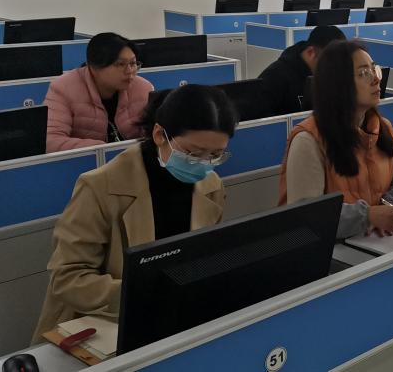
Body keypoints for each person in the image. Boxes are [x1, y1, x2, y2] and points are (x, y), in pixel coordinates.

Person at [32, 85, 238, 343]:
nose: (203, 164)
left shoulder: (211, 186)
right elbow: (67, 278)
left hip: (176, 319)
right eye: (193, 153)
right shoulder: (100, 187)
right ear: (159, 135)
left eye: (215, 155)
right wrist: (144, 295)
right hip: (105, 324)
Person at [279, 40, 393, 238]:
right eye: (363, 73)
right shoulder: (308, 140)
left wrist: (389, 211)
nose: (376, 79)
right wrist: (368, 216)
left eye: (374, 70)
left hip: (377, 239)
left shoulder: (382, 127)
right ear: (338, 85)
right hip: (331, 248)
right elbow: (307, 215)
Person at [44, 32, 155, 152]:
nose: (130, 71)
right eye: (120, 64)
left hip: (133, 159)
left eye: (133, 63)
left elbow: (157, 132)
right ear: (94, 66)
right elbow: (51, 141)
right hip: (87, 161)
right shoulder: (63, 89)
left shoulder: (143, 88)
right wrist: (103, 150)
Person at [258, 25, 347, 115]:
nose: (334, 68)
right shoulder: (274, 77)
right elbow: (260, 120)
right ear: (310, 52)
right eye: (330, 61)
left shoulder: (330, 76)